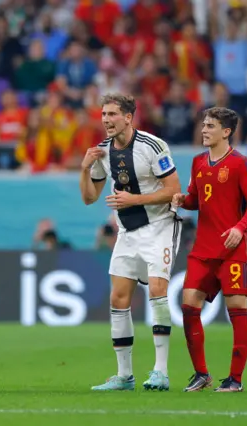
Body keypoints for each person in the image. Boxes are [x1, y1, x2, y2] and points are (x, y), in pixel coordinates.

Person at [79, 93, 182, 392]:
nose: (106, 120)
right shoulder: (101, 151)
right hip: (128, 231)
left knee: (158, 290)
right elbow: (88, 198)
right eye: (103, 114)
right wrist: (84, 168)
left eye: (112, 114)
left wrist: (134, 199)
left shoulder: (153, 145)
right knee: (118, 298)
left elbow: (174, 189)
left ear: (128, 117)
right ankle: (124, 375)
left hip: (160, 225)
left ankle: (160, 371)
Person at [172, 107, 247, 392]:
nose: (204, 130)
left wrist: (240, 228)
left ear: (226, 132)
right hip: (202, 248)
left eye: (210, 126)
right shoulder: (198, 162)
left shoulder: (241, 164)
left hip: (231, 249)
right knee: (188, 305)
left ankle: (235, 379)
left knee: (236, 308)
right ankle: (202, 374)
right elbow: (196, 199)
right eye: (203, 125)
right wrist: (181, 200)